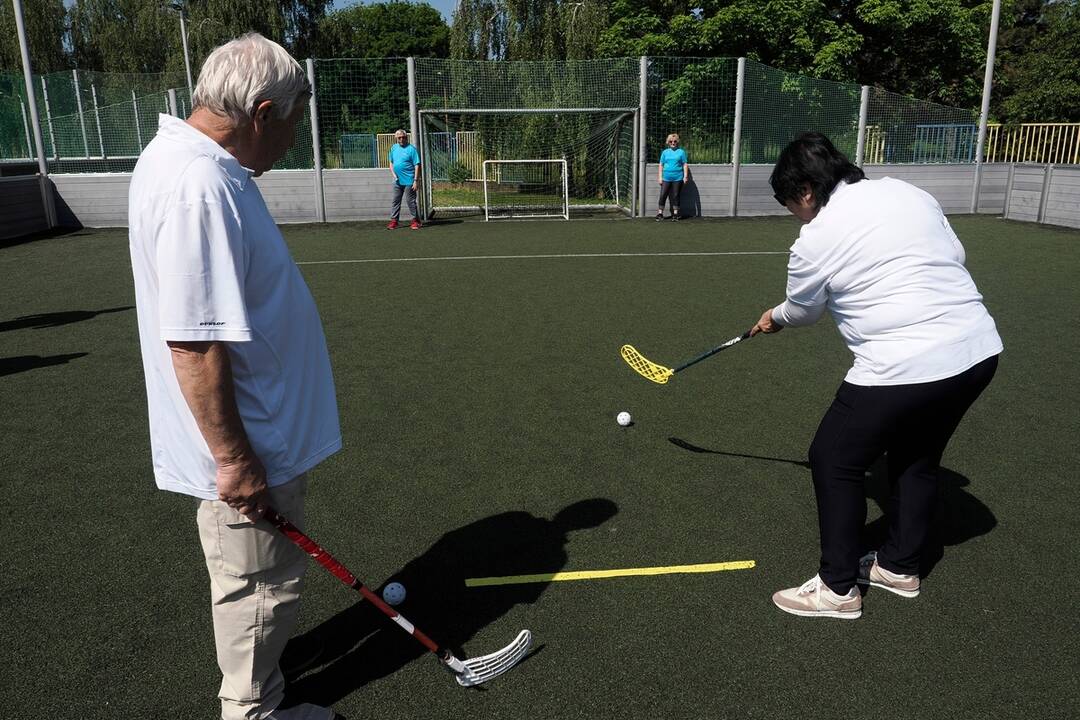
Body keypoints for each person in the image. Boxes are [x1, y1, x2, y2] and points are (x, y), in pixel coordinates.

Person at [127, 34, 342, 719]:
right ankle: (255, 713)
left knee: (258, 584)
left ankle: (264, 691)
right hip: (250, 443)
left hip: (255, 431)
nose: (289, 145)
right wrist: (237, 459)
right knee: (258, 588)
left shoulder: (188, 165)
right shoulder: (200, 185)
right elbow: (192, 342)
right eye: (289, 126)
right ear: (260, 111)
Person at [752, 132, 1002, 620]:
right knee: (915, 454)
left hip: (903, 363)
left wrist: (776, 316)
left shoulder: (816, 236)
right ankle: (898, 567)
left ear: (805, 192)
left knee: (833, 457)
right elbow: (955, 256)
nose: (795, 215)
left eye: (790, 205)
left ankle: (837, 588)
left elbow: (803, 310)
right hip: (977, 350)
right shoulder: (909, 192)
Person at [388, 129, 422, 229]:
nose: (401, 139)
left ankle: (415, 221)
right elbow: (391, 163)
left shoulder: (412, 149)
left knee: (410, 201)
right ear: (396, 138)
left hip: (410, 180)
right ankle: (394, 221)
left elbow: (417, 165)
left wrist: (416, 181)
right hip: (397, 181)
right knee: (395, 200)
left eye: (403, 137)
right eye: (399, 137)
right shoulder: (393, 148)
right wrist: (394, 174)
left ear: (406, 137)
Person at [656, 133, 689, 221]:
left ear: (677, 142)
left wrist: (685, 176)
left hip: (678, 178)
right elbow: (661, 165)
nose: (673, 143)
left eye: (675, 141)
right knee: (663, 195)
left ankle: (675, 214)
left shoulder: (681, 152)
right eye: (671, 141)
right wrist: (660, 177)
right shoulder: (665, 152)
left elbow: (684, 164)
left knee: (675, 195)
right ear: (668, 142)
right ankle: (660, 214)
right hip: (666, 178)